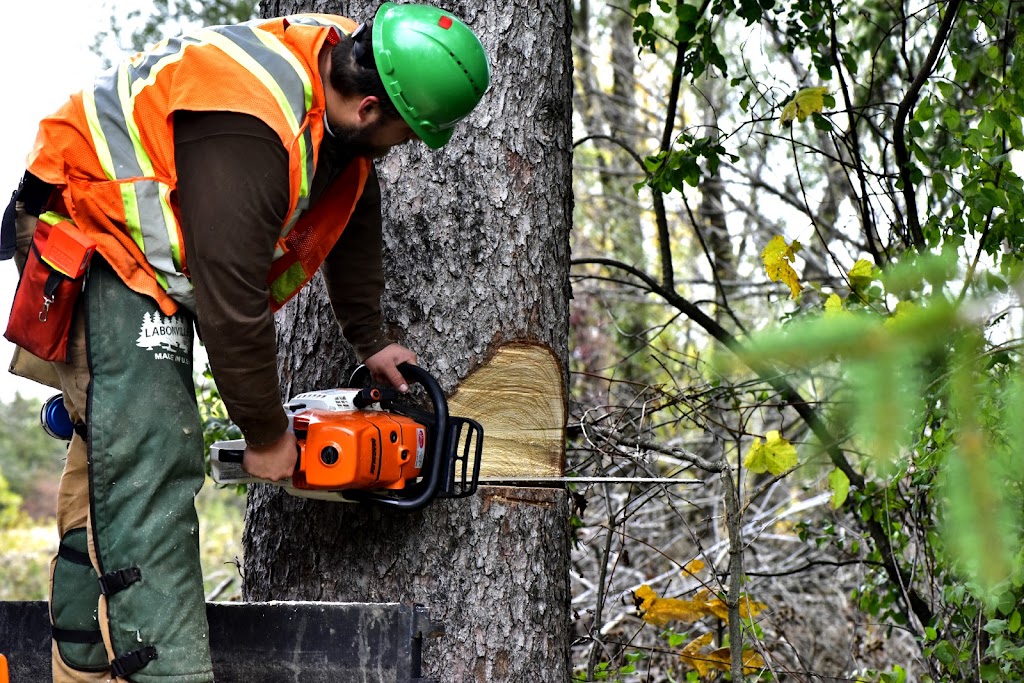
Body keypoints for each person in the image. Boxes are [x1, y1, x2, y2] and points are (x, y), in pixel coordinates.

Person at [0, 3, 489, 681]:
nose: (400, 146)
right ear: (371, 106)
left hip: (150, 253)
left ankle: (81, 667)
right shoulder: (252, 129)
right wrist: (265, 434)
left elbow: (350, 193)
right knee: (154, 453)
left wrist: (369, 337)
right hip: (88, 222)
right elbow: (231, 302)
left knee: (110, 458)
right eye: (405, 133)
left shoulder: (335, 68)